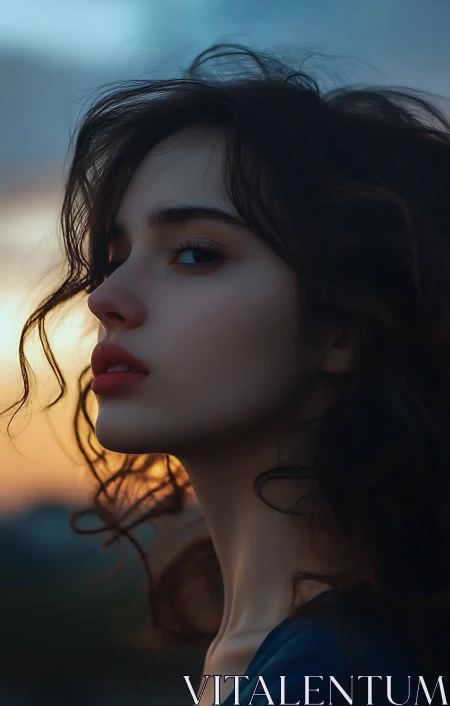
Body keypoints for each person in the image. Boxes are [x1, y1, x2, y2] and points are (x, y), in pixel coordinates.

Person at [3, 42, 450, 705]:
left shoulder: (335, 675)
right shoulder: (299, 654)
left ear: (342, 328)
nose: (104, 299)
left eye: (195, 253)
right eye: (115, 255)